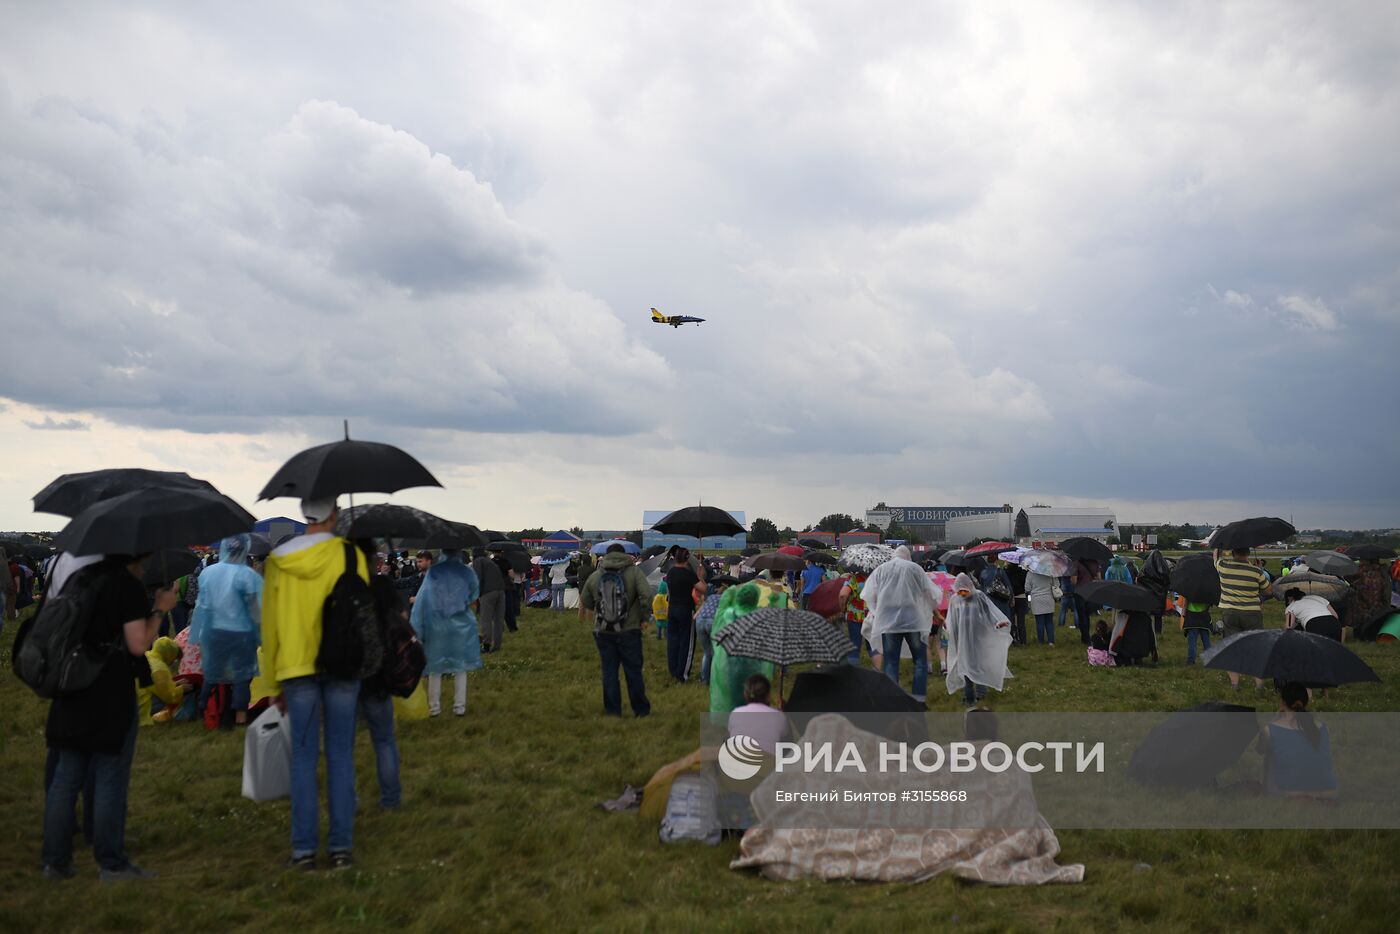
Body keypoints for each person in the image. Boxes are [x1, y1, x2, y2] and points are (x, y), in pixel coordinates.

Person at [43, 555, 177, 881]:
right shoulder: (124, 585)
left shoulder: (80, 579)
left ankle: (55, 862)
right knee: (109, 776)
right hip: (107, 690)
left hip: (71, 684)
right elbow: (137, 644)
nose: (145, 566)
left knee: (66, 776)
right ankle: (111, 862)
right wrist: (159, 608)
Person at [261, 497, 369, 870]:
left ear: (305, 514)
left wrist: (272, 681)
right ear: (335, 514)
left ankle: (303, 850)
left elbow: (270, 624)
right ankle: (341, 849)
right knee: (340, 756)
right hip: (343, 668)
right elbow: (362, 616)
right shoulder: (351, 555)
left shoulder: (278, 560)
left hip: (295, 668)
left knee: (303, 760)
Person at [190, 534, 263, 727]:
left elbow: (201, 605)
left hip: (214, 631)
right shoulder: (248, 575)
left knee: (212, 672)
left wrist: (196, 631)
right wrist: (260, 634)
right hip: (241, 633)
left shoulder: (208, 573)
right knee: (241, 674)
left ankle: (203, 705)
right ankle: (240, 716)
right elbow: (255, 611)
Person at [580, 543, 652, 717]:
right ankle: (640, 710)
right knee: (633, 671)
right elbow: (646, 595)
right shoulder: (635, 572)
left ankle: (613, 711)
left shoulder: (596, 574)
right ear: (625, 554)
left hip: (604, 631)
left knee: (609, 671)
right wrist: (643, 617)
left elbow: (585, 600)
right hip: (630, 630)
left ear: (605, 555)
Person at [410, 549, 482, 717]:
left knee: (435, 667)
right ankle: (460, 707)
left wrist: (416, 627)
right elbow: (474, 594)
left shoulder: (434, 571)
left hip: (437, 624)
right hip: (461, 625)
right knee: (461, 666)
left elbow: (423, 598)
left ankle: (434, 708)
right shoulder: (467, 571)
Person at [862, 546, 940, 702]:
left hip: (889, 621)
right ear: (908, 556)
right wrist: (935, 611)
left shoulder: (881, 570)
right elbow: (929, 593)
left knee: (891, 661)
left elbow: (869, 593)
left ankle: (893, 699)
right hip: (913, 620)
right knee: (919, 660)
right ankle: (919, 698)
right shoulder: (915, 569)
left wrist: (878, 611)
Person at [1257, 681, 1336, 799]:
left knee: (1270, 754)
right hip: (1328, 792)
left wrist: (1273, 720)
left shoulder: (1270, 730)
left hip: (1291, 793)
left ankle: (1268, 790)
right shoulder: (1324, 728)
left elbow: (1259, 750)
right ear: (1306, 702)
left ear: (1282, 702)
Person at [943, 573, 1012, 706]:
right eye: (960, 591)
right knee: (964, 665)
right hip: (961, 640)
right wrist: (949, 633)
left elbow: (989, 613)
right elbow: (951, 619)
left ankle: (980, 692)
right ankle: (969, 696)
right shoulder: (955, 600)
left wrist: (997, 623)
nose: (963, 594)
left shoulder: (978, 596)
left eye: (965, 590)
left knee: (977, 664)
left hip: (978, 637)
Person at [1215, 547, 1272, 691]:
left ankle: (1235, 683)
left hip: (1230, 612)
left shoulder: (1223, 566)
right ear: (1247, 553)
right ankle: (1259, 684)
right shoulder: (1256, 571)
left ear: (1233, 553)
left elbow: (1215, 557)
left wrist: (1219, 546)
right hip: (1252, 612)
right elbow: (1268, 591)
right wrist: (1259, 570)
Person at [663, 547, 704, 682]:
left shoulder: (671, 573)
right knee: (686, 642)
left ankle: (673, 670)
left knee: (673, 641)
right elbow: (703, 589)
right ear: (687, 559)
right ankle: (682, 674)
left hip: (672, 608)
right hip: (686, 609)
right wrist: (700, 577)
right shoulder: (688, 574)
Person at [727, 673, 787, 755]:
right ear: (769, 695)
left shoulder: (735, 713)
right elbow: (786, 739)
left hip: (737, 764)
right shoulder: (779, 716)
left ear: (745, 694)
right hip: (769, 765)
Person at [134, 636, 188, 725]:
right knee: (163, 702)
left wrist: (175, 683)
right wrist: (182, 689)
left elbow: (153, 686)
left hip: (130, 702)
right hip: (141, 707)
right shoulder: (160, 668)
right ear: (169, 654)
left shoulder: (147, 656)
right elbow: (169, 696)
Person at [471, 547, 506, 654]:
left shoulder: (478, 561)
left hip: (488, 593)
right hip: (501, 591)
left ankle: (486, 646)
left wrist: (476, 595)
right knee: (498, 620)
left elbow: (478, 578)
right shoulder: (490, 562)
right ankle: (497, 645)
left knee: (485, 619)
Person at [838, 570, 870, 666]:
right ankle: (877, 671)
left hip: (854, 615)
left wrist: (842, 609)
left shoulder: (853, 579)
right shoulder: (876, 577)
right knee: (873, 646)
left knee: (855, 644)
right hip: (871, 616)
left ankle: (853, 672)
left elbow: (843, 595)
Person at [1176, 595, 1213, 665]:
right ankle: (1210, 659)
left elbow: (1185, 604)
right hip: (1204, 617)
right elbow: (1209, 605)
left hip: (1191, 617)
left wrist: (1183, 614)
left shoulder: (1190, 590)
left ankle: (1191, 661)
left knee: (1192, 642)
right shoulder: (1207, 590)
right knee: (1206, 640)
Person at [1026, 570, 1056, 647]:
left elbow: (1027, 588)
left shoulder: (1030, 573)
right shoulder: (1049, 572)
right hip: (1048, 598)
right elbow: (1056, 584)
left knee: (1039, 622)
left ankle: (1040, 642)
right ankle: (1051, 641)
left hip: (1037, 599)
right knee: (1049, 622)